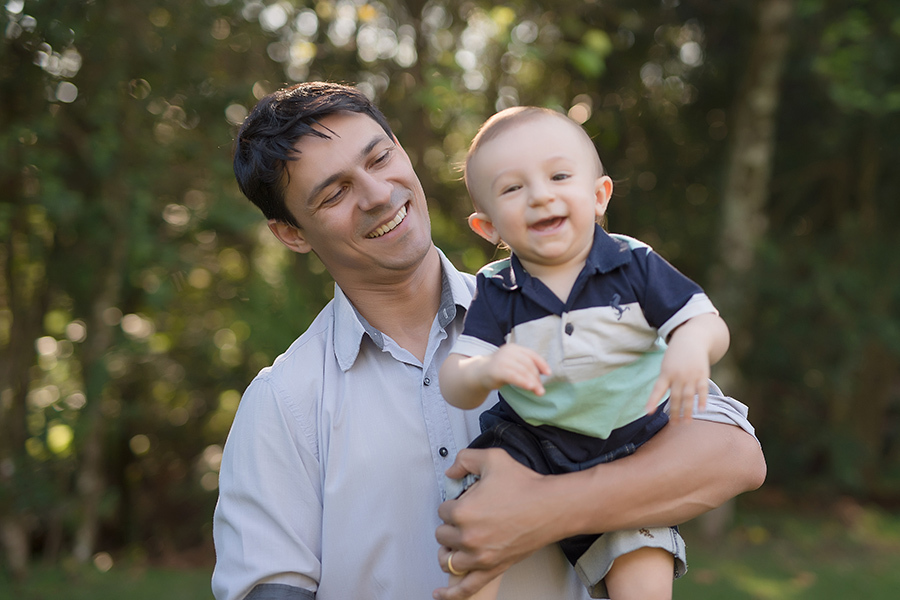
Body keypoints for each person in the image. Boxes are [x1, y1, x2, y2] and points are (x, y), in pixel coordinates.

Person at [211, 82, 766, 600]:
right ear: (290, 233)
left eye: (379, 158)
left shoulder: (566, 302)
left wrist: (545, 511)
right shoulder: (283, 405)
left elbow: (734, 456)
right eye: (335, 193)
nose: (379, 195)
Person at [439, 106, 729, 600]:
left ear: (598, 196)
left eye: (558, 175)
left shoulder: (632, 264)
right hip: (531, 442)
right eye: (513, 188)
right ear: (488, 228)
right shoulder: (498, 288)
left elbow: (706, 321)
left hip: (632, 446)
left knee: (643, 572)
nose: (540, 195)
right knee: (480, 526)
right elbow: (455, 378)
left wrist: (691, 347)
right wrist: (485, 369)